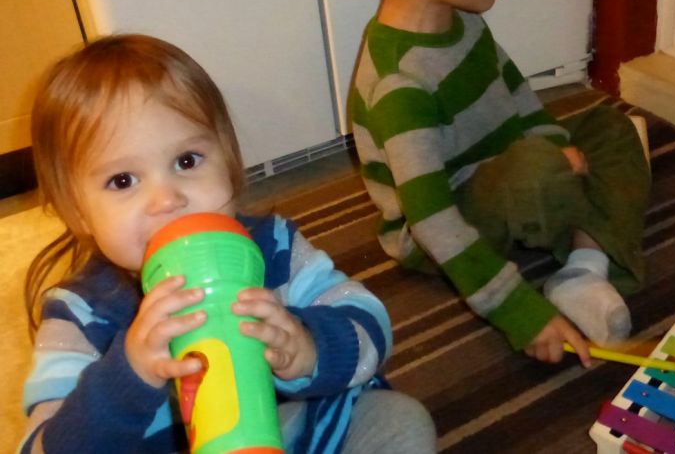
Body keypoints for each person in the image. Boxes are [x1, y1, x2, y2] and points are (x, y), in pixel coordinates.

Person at [19, 35, 436, 453]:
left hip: (273, 436)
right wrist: (129, 378)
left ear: (230, 159)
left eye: (187, 161)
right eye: (123, 180)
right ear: (77, 212)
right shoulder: (79, 314)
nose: (167, 200)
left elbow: (368, 323)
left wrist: (305, 346)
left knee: (397, 421)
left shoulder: (273, 247)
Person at [327, 0, 650, 366]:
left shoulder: (464, 21)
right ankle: (578, 234)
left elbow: (520, 100)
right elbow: (432, 221)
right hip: (444, 223)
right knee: (545, 170)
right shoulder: (399, 87)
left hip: (511, 170)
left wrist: (553, 144)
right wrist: (519, 314)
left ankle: (582, 272)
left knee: (611, 130)